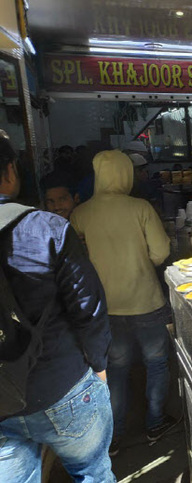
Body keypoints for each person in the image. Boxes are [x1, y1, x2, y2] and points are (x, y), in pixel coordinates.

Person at [0, 137, 114, 481]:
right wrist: (100, 367)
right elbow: (88, 309)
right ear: (9, 172)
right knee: (93, 472)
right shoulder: (46, 228)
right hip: (62, 387)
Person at [70, 150, 178, 456]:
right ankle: (155, 424)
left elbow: (76, 261)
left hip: (106, 308)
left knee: (115, 371)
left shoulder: (82, 213)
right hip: (146, 302)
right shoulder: (140, 207)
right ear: (126, 173)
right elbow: (160, 253)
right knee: (156, 364)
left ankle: (115, 438)